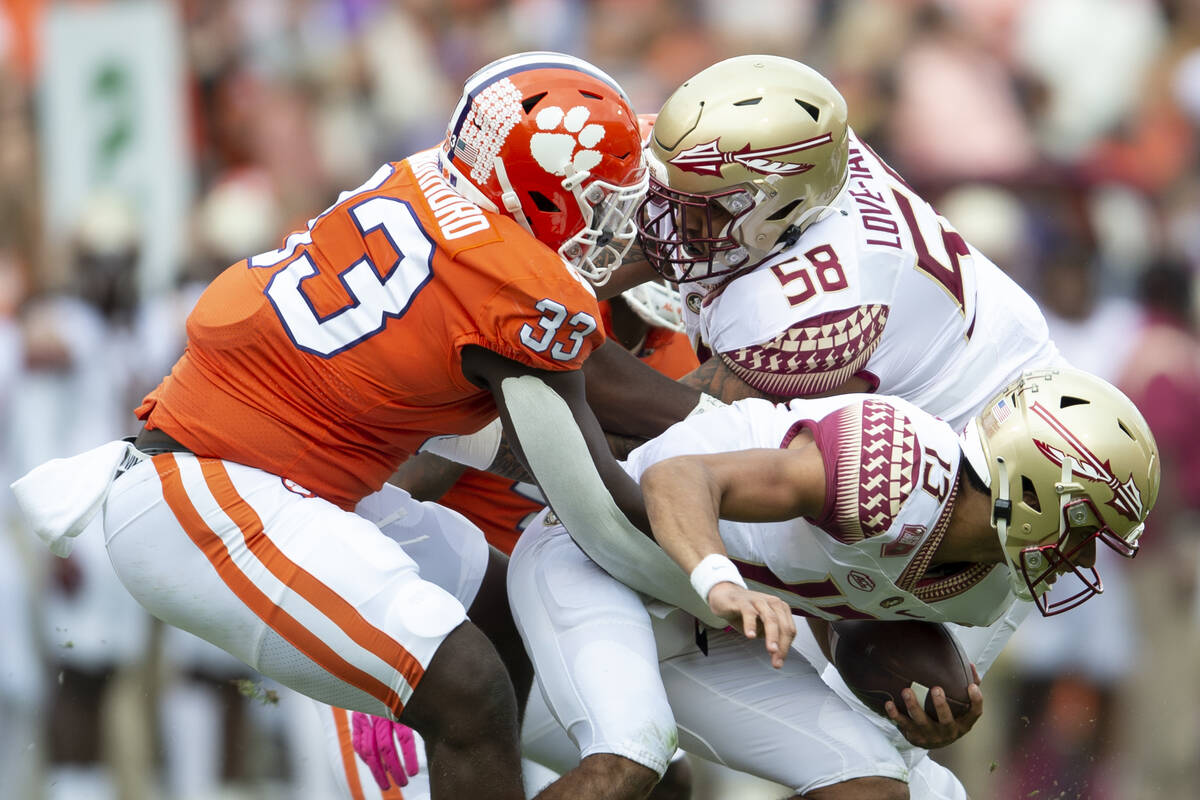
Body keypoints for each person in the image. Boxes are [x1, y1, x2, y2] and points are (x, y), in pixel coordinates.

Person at [8, 51, 715, 800]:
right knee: (469, 687)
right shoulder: (514, 282)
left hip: (291, 484)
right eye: (600, 198)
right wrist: (746, 510)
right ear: (537, 191)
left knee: (509, 616)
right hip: (215, 488)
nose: (613, 219)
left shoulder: (426, 178)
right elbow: (596, 494)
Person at [536, 53, 1066, 799]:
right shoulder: (782, 171)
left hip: (972, 490)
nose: (668, 214)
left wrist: (493, 331)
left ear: (779, 210)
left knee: (877, 747)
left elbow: (653, 428)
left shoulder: (809, 314)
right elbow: (645, 234)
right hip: (948, 424)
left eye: (704, 205)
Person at [511, 367, 1159, 800]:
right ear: (1034, 486)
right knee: (630, 753)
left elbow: (843, 599)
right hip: (604, 554)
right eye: (1083, 527)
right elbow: (675, 480)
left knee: (873, 781)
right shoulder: (896, 469)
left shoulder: (985, 586)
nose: (1077, 556)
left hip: (707, 623)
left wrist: (924, 717)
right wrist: (721, 581)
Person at [332, 280, 700, 799]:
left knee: (657, 773)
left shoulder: (682, 346)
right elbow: (402, 480)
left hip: (541, 625)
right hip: (435, 616)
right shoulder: (537, 320)